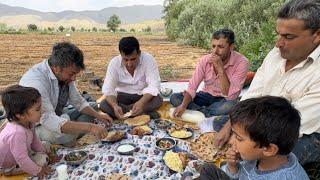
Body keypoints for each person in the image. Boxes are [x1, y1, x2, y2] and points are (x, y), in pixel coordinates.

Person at [215, 0, 320, 165]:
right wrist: (232, 126)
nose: (278, 43)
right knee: (222, 124)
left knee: (275, 156)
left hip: (299, 132)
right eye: (279, 34)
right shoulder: (275, 54)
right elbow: (253, 93)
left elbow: (291, 125)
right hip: (259, 119)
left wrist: (240, 139)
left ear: (317, 35)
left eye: (288, 37)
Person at [20, 42, 112, 146]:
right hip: (38, 124)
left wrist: (98, 115)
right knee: (68, 135)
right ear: (57, 68)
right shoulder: (36, 82)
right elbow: (48, 119)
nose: (73, 79)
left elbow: (78, 101)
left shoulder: (64, 75)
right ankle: (72, 129)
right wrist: (90, 127)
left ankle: (72, 126)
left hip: (59, 113)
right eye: (71, 74)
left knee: (94, 107)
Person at [200, 96, 309, 180]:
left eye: (239, 138)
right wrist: (233, 166)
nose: (230, 141)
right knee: (207, 169)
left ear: (269, 149)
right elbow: (242, 174)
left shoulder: (287, 177)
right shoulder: (257, 156)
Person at [170, 29, 249, 123]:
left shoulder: (242, 62)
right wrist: (183, 105)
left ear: (231, 47)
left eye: (220, 47)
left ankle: (198, 112)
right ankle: (207, 114)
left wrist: (220, 69)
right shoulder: (205, 60)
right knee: (175, 98)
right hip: (205, 96)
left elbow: (230, 96)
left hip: (223, 99)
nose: (215, 51)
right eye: (213, 46)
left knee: (231, 105)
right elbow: (192, 87)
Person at [98, 36, 163, 119]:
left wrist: (141, 103)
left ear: (139, 53)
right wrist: (115, 106)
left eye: (133, 59)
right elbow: (109, 89)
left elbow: (154, 86)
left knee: (158, 99)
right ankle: (140, 113)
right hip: (122, 96)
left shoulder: (148, 60)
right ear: (121, 55)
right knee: (104, 104)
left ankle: (128, 113)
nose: (129, 64)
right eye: (125, 59)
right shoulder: (114, 63)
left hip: (142, 95)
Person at [0, 85, 52, 178]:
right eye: (37, 109)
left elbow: (35, 142)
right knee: (42, 161)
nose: (42, 111)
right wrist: (39, 170)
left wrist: (46, 153)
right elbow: (22, 159)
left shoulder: (29, 122)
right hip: (9, 166)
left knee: (46, 146)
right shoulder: (16, 133)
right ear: (20, 115)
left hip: (20, 153)